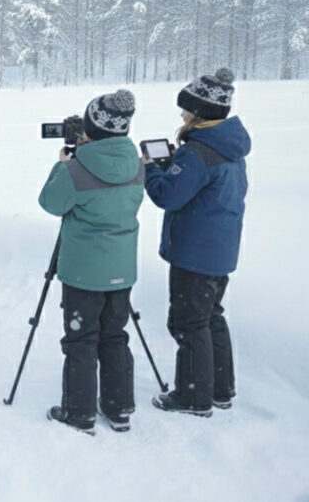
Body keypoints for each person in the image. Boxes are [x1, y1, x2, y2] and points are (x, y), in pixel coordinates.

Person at [143, 68, 250, 417]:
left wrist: (152, 169)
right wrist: (176, 165)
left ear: (200, 112)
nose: (182, 114)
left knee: (188, 324)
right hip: (220, 250)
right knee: (211, 317)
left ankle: (193, 396)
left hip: (195, 254)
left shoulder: (198, 153)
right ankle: (221, 388)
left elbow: (168, 196)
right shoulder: (228, 147)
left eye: (186, 109)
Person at [38, 89, 144, 435]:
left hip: (83, 273)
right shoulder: (137, 164)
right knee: (115, 336)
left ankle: (79, 412)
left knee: (81, 340)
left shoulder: (76, 170)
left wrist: (63, 165)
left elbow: (50, 203)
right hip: (122, 269)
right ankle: (119, 407)